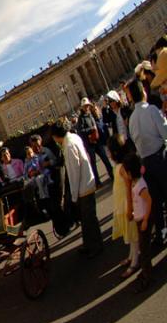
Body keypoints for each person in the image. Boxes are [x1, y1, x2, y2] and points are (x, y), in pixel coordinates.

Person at [126, 77, 167, 257]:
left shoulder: (132, 118)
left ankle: (162, 232)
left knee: (156, 200)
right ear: (143, 91)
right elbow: (165, 133)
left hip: (146, 163)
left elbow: (135, 142)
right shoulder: (151, 110)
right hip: (160, 158)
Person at [52, 119, 102, 257]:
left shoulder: (68, 145)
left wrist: (73, 197)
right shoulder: (73, 137)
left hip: (83, 187)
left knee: (89, 219)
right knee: (86, 220)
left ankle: (95, 247)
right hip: (86, 183)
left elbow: (75, 173)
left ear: (57, 135)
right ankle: (88, 245)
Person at [122, 153, 152, 291]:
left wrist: (145, 219)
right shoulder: (136, 184)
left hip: (143, 222)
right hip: (139, 220)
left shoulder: (140, 186)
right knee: (142, 247)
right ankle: (145, 272)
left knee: (144, 250)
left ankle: (147, 277)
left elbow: (149, 201)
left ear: (129, 172)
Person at [109, 136, 137, 279]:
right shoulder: (118, 167)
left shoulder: (122, 168)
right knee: (131, 234)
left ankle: (135, 261)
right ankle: (132, 256)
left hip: (126, 204)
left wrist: (130, 207)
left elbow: (128, 186)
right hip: (122, 204)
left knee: (133, 235)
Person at [76, 98, 113, 185]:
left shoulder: (90, 115)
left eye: (88, 106)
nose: (87, 108)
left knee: (105, 158)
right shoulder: (81, 119)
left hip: (97, 141)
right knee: (93, 164)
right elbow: (81, 132)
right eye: (85, 106)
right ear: (82, 107)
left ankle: (112, 174)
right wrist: (90, 130)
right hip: (90, 144)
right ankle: (97, 182)